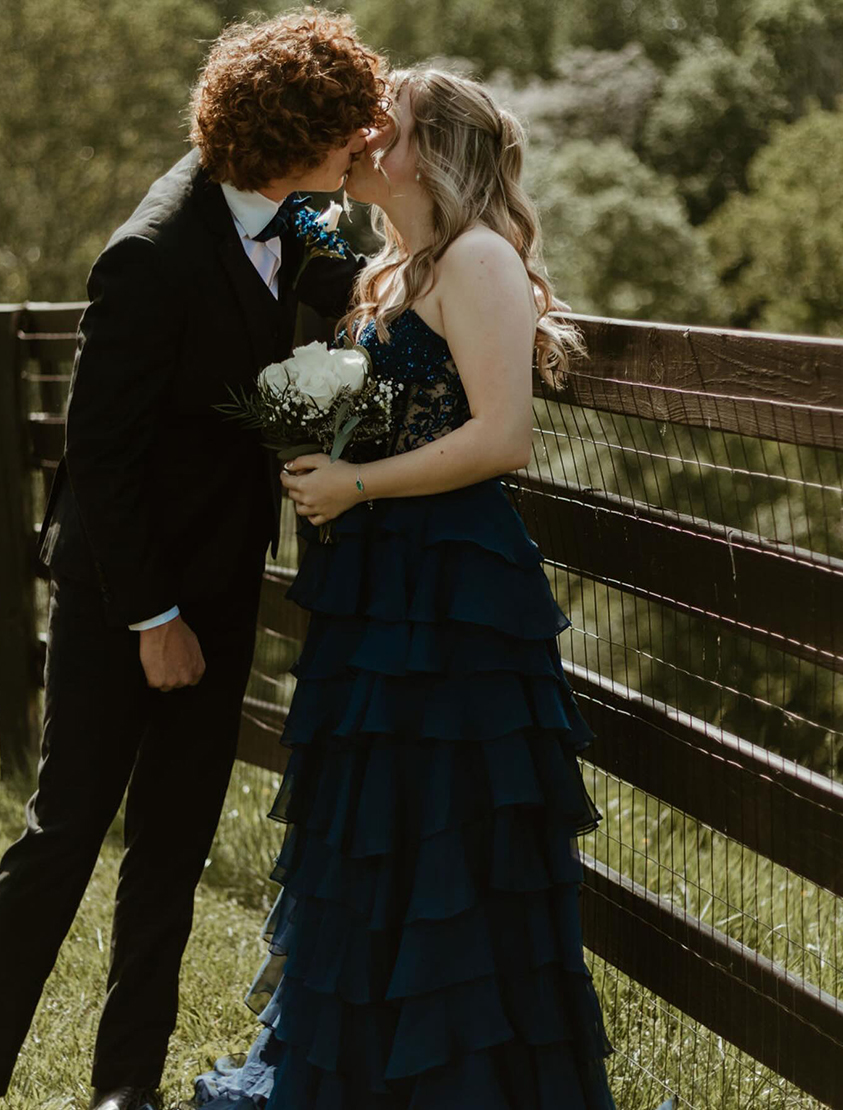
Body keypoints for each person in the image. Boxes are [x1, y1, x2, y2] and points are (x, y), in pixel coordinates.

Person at [187, 66, 618, 1110]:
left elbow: (503, 438)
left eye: (392, 124)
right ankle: (374, 1075)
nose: (367, 135)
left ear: (435, 151)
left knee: (448, 839)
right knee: (374, 830)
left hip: (457, 599)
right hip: (384, 593)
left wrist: (356, 478)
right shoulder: (395, 264)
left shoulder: (476, 260)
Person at [0, 11, 388, 1110]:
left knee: (171, 847)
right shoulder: (149, 257)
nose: (364, 139)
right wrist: (153, 618)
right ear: (291, 136)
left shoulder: (300, 216)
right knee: (66, 839)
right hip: (125, 592)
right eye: (346, 126)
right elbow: (102, 464)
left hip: (221, 581)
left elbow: (308, 338)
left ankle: (126, 1090)